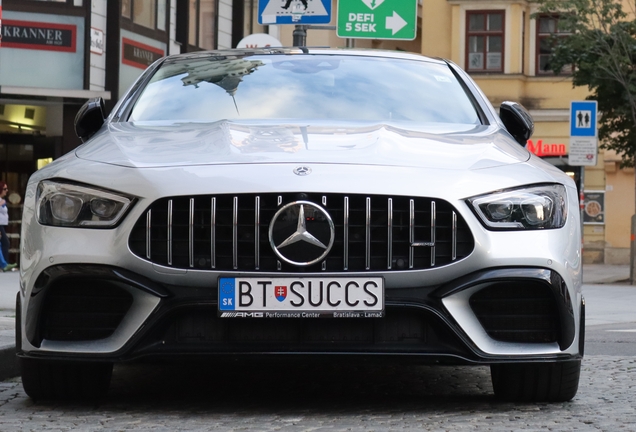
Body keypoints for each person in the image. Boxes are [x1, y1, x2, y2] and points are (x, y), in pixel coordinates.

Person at [0, 181, 16, 271]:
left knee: (3, 243)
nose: (6, 190)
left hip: (2, 224)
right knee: (5, 242)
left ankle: (4, 264)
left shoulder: (2, 200)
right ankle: (4, 264)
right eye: (4, 189)